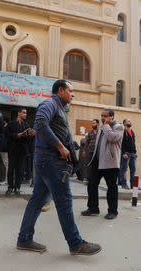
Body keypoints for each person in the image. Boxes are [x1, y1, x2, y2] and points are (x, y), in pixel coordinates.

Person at [17, 79, 101, 256]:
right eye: (70, 90)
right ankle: (76, 244)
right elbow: (39, 123)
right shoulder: (49, 103)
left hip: (47, 160)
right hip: (51, 160)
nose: (73, 94)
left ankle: (24, 239)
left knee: (38, 200)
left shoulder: (59, 107)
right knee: (64, 200)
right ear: (60, 90)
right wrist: (59, 146)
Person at [81, 109, 123, 220]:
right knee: (92, 184)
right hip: (97, 162)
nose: (103, 118)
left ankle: (113, 211)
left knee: (111, 188)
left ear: (112, 117)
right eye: (102, 115)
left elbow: (112, 138)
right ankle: (93, 208)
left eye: (105, 116)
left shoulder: (119, 127)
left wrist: (107, 126)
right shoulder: (102, 128)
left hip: (110, 163)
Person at [6, 108, 35, 196]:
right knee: (11, 169)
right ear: (18, 113)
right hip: (13, 149)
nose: (25, 114)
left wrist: (31, 135)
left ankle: (17, 187)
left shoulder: (26, 125)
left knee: (20, 170)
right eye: (24, 113)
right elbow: (7, 135)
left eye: (26, 113)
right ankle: (10, 187)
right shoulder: (11, 124)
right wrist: (16, 135)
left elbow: (28, 139)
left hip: (22, 150)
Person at [119, 119, 137, 189]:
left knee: (133, 170)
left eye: (130, 121)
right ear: (124, 123)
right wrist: (123, 153)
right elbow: (122, 143)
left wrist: (135, 152)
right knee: (124, 169)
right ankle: (124, 184)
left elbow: (133, 143)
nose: (130, 122)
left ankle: (133, 185)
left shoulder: (132, 131)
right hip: (126, 153)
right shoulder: (123, 131)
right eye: (128, 121)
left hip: (133, 154)